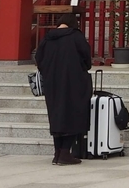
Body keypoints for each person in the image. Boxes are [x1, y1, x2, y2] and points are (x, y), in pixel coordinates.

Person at [34, 11, 93, 165]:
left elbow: (39, 59)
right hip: (73, 82)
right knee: (73, 114)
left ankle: (57, 153)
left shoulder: (47, 38)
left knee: (56, 115)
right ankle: (66, 152)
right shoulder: (76, 37)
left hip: (52, 83)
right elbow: (87, 59)